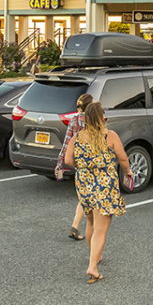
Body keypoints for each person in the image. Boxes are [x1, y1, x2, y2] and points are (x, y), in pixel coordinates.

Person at [63, 102, 131, 284]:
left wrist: (83, 166)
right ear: (102, 117)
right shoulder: (110, 135)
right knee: (101, 229)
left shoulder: (77, 137)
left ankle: (95, 255)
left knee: (91, 221)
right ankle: (93, 266)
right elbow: (123, 158)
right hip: (105, 186)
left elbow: (68, 160)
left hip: (84, 184)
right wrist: (128, 171)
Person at [55, 93, 95, 240]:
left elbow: (67, 143)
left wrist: (60, 163)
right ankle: (89, 231)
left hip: (79, 163)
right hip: (94, 163)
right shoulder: (95, 120)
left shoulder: (74, 120)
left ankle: (75, 226)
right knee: (91, 198)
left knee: (84, 196)